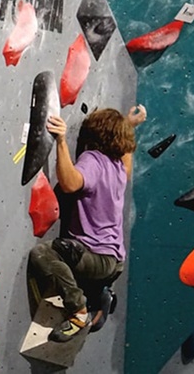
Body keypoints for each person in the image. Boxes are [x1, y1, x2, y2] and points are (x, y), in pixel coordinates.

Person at [28, 105, 147, 342]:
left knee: (44, 253)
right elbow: (126, 158)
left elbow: (71, 183)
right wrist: (128, 125)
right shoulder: (119, 167)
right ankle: (99, 297)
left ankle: (78, 312)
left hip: (95, 258)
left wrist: (62, 141)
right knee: (78, 261)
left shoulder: (93, 159)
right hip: (115, 262)